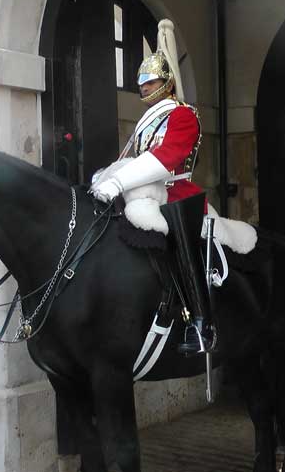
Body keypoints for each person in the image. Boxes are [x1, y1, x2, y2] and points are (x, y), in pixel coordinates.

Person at [91, 19, 214, 355]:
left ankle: (200, 322)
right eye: (141, 82)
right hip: (147, 190)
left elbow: (165, 158)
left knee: (180, 241)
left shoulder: (183, 115)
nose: (144, 87)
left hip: (177, 194)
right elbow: (132, 158)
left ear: (168, 81)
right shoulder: (147, 120)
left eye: (151, 80)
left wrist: (119, 182)